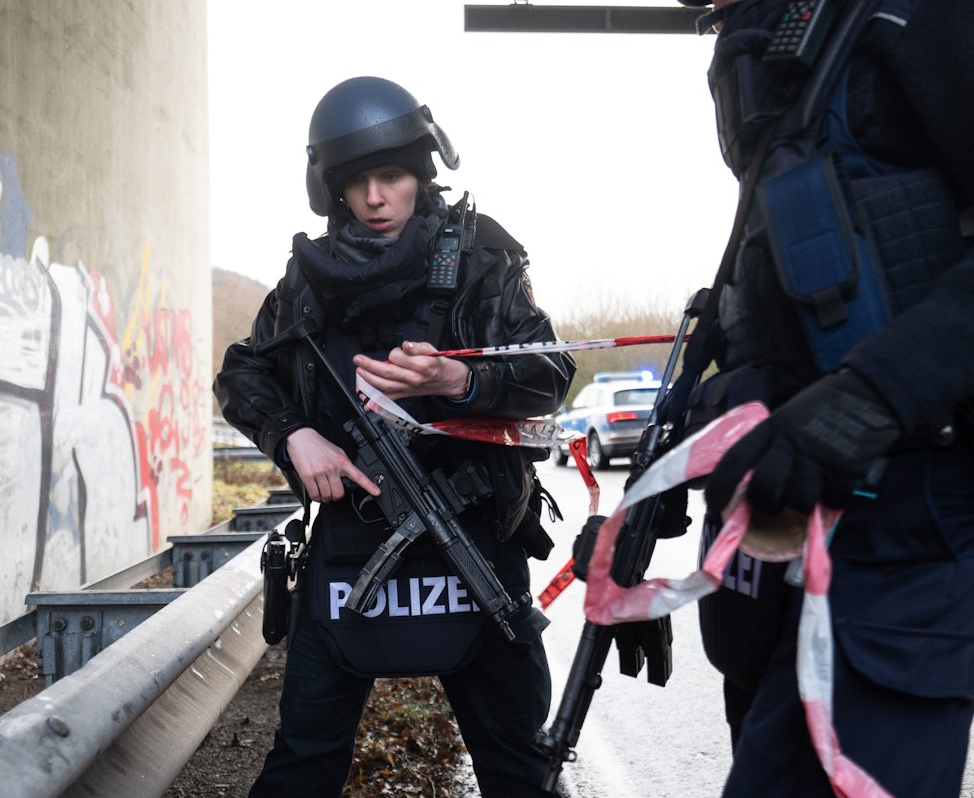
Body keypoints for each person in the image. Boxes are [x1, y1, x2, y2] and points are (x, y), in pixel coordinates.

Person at [213, 75, 575, 798]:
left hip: (475, 542)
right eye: (358, 182)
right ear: (333, 190)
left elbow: (549, 371)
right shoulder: (309, 280)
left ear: (420, 173)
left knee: (520, 770)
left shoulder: (481, 258)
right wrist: (293, 437)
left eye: (392, 175)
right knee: (302, 764)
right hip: (351, 543)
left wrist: (457, 384)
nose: (376, 197)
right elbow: (243, 374)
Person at [662, 0, 974, 795]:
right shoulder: (786, 47)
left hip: (913, 522)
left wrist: (869, 396)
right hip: (798, 524)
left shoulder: (917, 18)